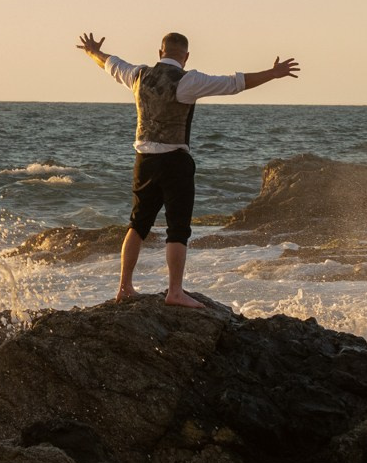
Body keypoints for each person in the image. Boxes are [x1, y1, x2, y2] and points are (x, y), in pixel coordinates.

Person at [76, 30, 300, 307]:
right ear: (186, 56)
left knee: (137, 224)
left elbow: (110, 63)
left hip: (143, 161)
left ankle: (124, 287)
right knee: (178, 229)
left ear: (160, 53)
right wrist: (273, 73)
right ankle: (175, 292)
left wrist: (91, 51)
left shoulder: (137, 75)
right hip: (174, 161)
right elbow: (234, 84)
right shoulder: (188, 80)